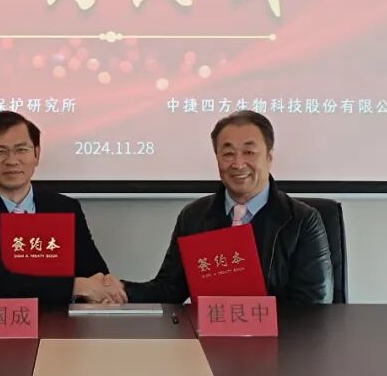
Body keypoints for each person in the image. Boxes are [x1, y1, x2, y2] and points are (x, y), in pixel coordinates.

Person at [121, 110, 333, 304]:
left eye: (249, 152)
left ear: (269, 157)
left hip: (281, 334)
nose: (238, 164)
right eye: (228, 154)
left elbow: (312, 305)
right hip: (207, 334)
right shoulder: (194, 216)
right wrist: (121, 290)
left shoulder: (302, 220)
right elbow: (169, 289)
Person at [0, 111, 127, 304]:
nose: (12, 161)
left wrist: (106, 284)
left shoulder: (64, 208)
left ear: (36, 154)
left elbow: (93, 272)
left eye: (21, 150)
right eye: (0, 152)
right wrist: (73, 287)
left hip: (60, 321)